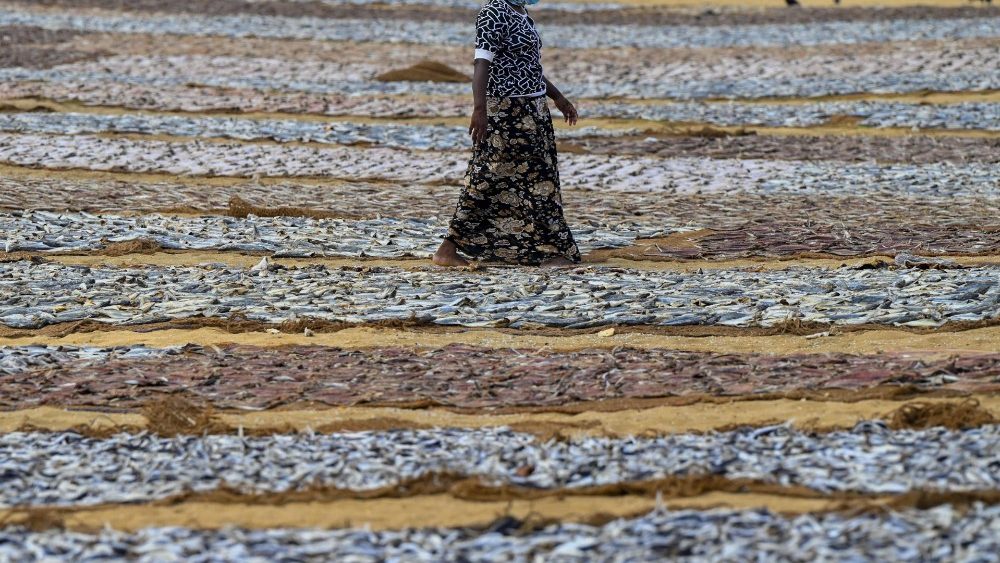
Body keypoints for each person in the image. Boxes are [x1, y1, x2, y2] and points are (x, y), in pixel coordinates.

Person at [432, 0, 581, 267]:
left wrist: (558, 98)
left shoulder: (521, 11)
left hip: (532, 110)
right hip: (506, 112)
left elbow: (528, 68)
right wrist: (480, 110)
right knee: (490, 175)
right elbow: (481, 64)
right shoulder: (493, 13)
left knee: (538, 176)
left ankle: (551, 249)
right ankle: (448, 249)